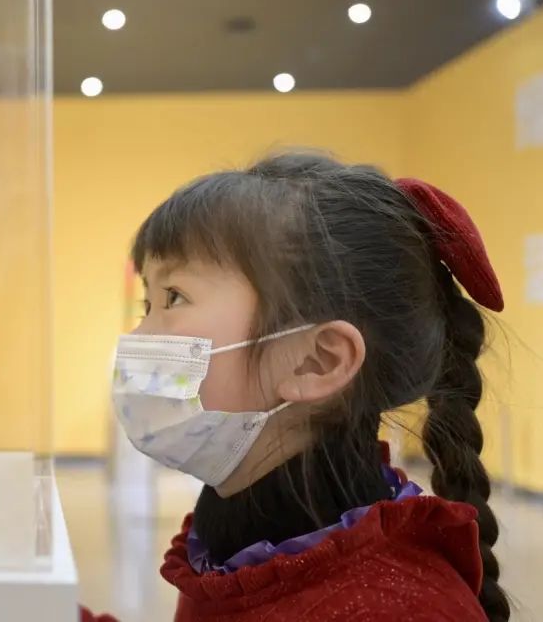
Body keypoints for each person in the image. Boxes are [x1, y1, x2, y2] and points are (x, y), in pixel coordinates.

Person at [83, 152, 510, 621]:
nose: (140, 335)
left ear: (317, 361)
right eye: (147, 304)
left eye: (174, 298)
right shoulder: (246, 538)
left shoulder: (393, 610)